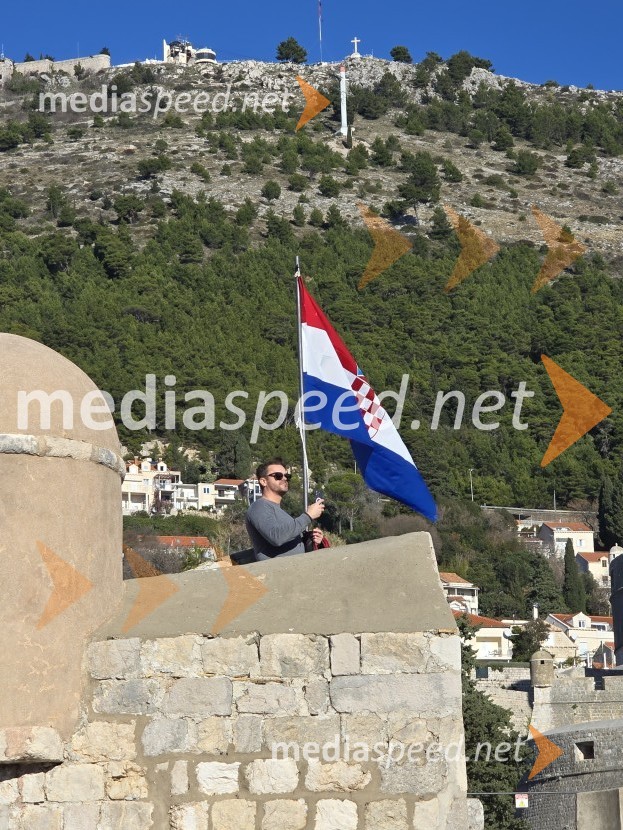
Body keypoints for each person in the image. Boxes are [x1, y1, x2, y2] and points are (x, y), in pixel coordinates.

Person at [245, 458, 325, 561]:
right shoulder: (259, 507)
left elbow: (287, 537)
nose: (284, 479)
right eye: (278, 476)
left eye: (287, 476)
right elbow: (277, 537)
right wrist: (308, 516)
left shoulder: (279, 511)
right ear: (263, 481)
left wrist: (311, 538)